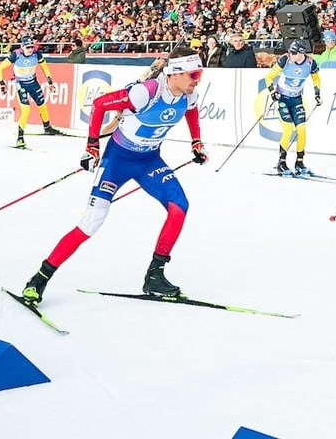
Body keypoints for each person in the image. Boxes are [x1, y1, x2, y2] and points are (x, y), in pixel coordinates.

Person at [21, 49, 207, 304]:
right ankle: (39, 279)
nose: (197, 79)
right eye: (193, 74)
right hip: (118, 161)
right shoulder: (147, 93)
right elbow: (99, 105)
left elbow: (191, 111)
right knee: (92, 222)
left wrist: (196, 142)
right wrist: (92, 146)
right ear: (175, 73)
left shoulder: (190, 94)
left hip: (149, 161)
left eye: (200, 74)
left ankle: (155, 276)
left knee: (179, 207)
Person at [263, 39, 322, 176]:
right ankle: (281, 162)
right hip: (283, 99)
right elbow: (269, 77)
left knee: (302, 130)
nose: (290, 54)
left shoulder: (310, 63)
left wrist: (317, 93)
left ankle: (299, 162)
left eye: (294, 52)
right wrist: (273, 92)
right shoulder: (285, 60)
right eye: (290, 51)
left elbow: (316, 79)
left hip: (296, 99)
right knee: (288, 129)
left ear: (301, 53)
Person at [0, 37, 61, 149]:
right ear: (22, 47)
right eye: (28, 47)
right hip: (21, 85)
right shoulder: (15, 55)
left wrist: (50, 82)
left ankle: (47, 128)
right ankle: (20, 138)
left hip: (33, 83)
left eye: (32, 47)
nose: (30, 49)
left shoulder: (37, 54)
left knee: (42, 105)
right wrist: (2, 83)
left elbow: (45, 67)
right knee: (26, 110)